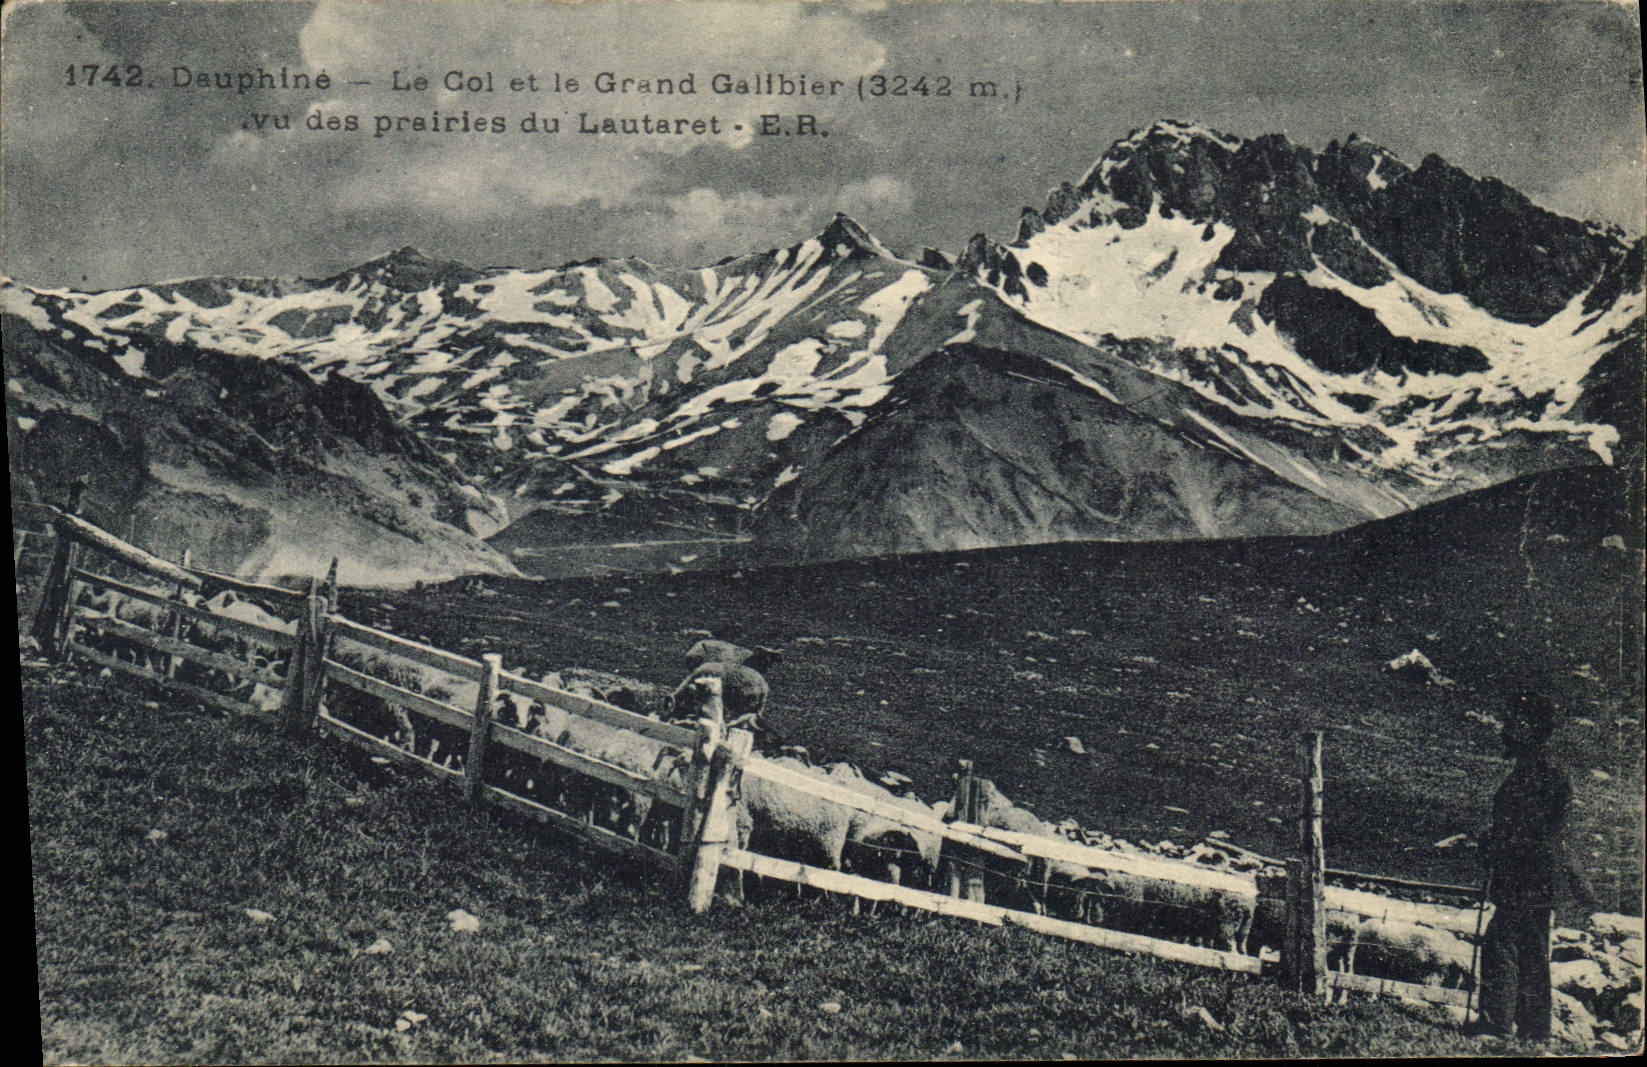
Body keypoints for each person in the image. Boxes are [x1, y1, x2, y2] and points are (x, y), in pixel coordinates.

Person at [1473, 690, 1572, 1042]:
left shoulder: (1536, 776)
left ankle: (1495, 1026)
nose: (1504, 731)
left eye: (1511, 723)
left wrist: (1494, 843)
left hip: (1525, 878)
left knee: (1502, 944)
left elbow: (1529, 832)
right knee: (1531, 952)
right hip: (1538, 880)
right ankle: (1535, 1032)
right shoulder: (1543, 773)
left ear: (1528, 728)